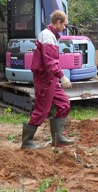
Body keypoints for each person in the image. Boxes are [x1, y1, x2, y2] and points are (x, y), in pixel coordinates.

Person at [21, 10, 74, 149]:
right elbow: (50, 62)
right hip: (44, 79)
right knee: (42, 110)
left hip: (50, 78)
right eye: (64, 25)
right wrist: (62, 76)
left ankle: (58, 138)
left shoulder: (51, 36)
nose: (64, 28)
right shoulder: (48, 36)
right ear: (58, 22)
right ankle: (27, 142)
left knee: (63, 103)